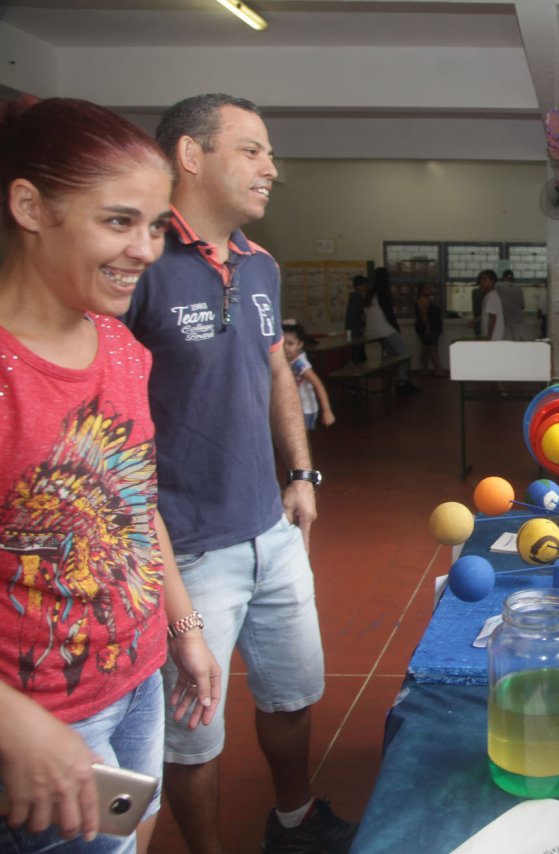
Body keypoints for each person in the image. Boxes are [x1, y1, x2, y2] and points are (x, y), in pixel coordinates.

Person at [121, 93, 357, 854]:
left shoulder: (260, 266)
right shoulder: (141, 267)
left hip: (272, 529)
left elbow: (276, 369)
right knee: (195, 733)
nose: (272, 169)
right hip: (185, 549)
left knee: (292, 694)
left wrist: (301, 474)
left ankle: (292, 819)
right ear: (190, 156)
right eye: (252, 151)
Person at [0, 95, 219, 852]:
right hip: (42, 718)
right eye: (119, 221)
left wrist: (181, 626)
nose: (148, 250)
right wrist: (13, 723)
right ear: (30, 206)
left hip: (135, 680)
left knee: (131, 837)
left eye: (156, 226)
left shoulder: (122, 349)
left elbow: (132, 506)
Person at [365, 267, 414, 394]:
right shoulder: (383, 292)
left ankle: (398, 381)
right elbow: (389, 313)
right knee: (404, 354)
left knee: (392, 357)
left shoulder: (370, 293)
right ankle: (401, 382)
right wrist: (396, 328)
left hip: (373, 331)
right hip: (384, 329)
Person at [282, 321, 335, 430]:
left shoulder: (300, 365)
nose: (285, 347)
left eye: (290, 343)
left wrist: (327, 411)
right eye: (282, 343)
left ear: (300, 344)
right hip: (294, 408)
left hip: (305, 409)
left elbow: (318, 385)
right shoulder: (287, 360)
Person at [414, 283, 443, 376]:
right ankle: (438, 370)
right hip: (428, 329)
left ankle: (425, 369)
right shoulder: (423, 300)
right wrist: (428, 328)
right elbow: (424, 316)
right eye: (428, 287)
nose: (431, 289)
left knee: (426, 349)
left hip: (430, 328)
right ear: (422, 289)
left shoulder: (426, 299)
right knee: (432, 349)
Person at [343, 275, 368, 365]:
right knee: (358, 356)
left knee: (360, 355)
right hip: (355, 332)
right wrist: (361, 328)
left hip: (357, 331)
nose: (366, 287)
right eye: (364, 285)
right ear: (358, 286)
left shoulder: (359, 298)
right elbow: (354, 317)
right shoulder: (356, 298)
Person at [497, 270, 525, 341]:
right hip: (517, 321)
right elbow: (522, 306)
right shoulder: (519, 288)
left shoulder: (498, 286)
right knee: (518, 343)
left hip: (503, 321)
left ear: (503, 277)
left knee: (505, 344)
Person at [477, 269, 503, 341]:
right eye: (481, 279)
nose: (481, 282)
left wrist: (489, 337)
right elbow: (487, 313)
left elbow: (492, 318)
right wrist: (475, 320)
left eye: (484, 280)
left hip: (493, 337)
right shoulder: (490, 295)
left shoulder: (491, 296)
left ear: (491, 282)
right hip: (491, 336)